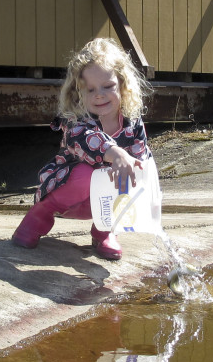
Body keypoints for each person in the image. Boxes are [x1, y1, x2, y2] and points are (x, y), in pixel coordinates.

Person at [12, 37, 153, 260]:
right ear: (78, 92)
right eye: (90, 89)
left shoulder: (132, 122)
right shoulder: (77, 120)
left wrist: (142, 177)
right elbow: (85, 139)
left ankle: (104, 231)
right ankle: (38, 216)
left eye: (108, 86)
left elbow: (142, 157)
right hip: (66, 193)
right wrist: (115, 153)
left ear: (123, 86)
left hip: (102, 205)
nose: (99, 94)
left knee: (130, 175)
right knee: (88, 173)